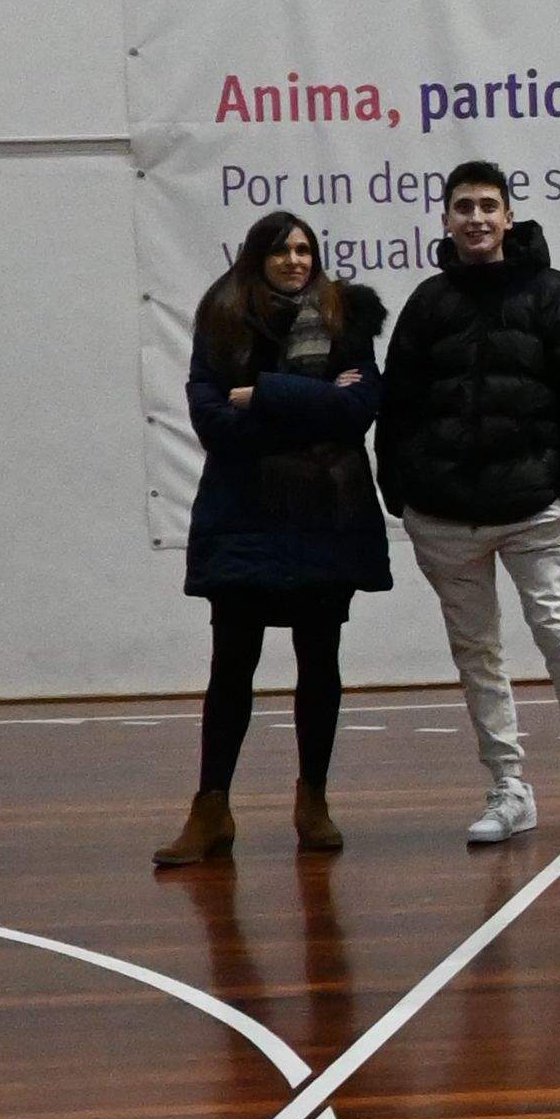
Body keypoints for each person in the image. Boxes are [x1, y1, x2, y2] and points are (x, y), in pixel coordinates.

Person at [373, 154, 560, 857]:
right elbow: (396, 408)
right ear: (446, 220)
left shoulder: (551, 292)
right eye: (463, 207)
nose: (476, 218)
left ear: (509, 217)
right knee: (477, 653)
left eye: (488, 206)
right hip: (445, 518)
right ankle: (508, 788)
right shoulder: (428, 302)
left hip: (533, 510)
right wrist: (402, 490)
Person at [155, 211, 388, 869]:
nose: (295, 259)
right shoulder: (223, 317)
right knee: (232, 666)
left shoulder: (347, 316)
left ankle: (312, 799)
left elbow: (357, 411)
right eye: (283, 249)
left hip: (323, 519)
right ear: (258, 256)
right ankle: (210, 809)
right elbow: (212, 422)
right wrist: (309, 407)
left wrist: (261, 393)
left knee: (320, 663)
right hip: (245, 520)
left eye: (304, 248)